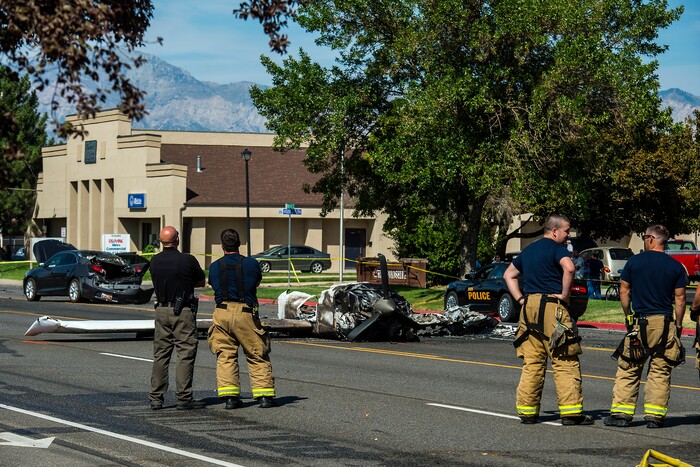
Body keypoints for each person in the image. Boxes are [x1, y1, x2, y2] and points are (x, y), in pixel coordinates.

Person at [504, 214, 593, 426]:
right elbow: (569, 268)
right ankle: (571, 413)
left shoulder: (529, 250)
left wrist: (520, 299)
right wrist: (564, 295)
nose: (568, 235)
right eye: (566, 231)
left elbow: (509, 275)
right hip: (552, 307)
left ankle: (527, 411)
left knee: (532, 361)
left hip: (529, 307)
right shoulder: (557, 249)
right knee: (564, 359)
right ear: (554, 231)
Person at [604, 225, 686, 429]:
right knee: (660, 370)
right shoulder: (676, 266)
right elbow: (681, 299)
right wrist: (677, 325)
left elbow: (624, 291)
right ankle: (655, 416)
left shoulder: (634, 262)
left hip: (640, 322)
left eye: (644, 237)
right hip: (665, 323)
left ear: (650, 239)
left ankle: (622, 415)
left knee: (629, 367)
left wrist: (627, 315)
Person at [207, 228, 276, 409]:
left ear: (222, 246)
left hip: (221, 313)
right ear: (239, 244)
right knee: (256, 353)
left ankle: (230, 397)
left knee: (225, 355)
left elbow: (213, 284)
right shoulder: (252, 264)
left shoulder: (214, 266)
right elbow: (256, 282)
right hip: (245, 312)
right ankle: (264, 396)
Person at [148, 226, 206, 410]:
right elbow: (200, 281)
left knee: (161, 354)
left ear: (161, 242)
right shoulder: (186, 260)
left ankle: (156, 397)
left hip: (161, 310)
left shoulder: (155, 261)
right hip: (182, 311)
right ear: (177, 240)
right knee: (185, 353)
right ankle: (184, 397)